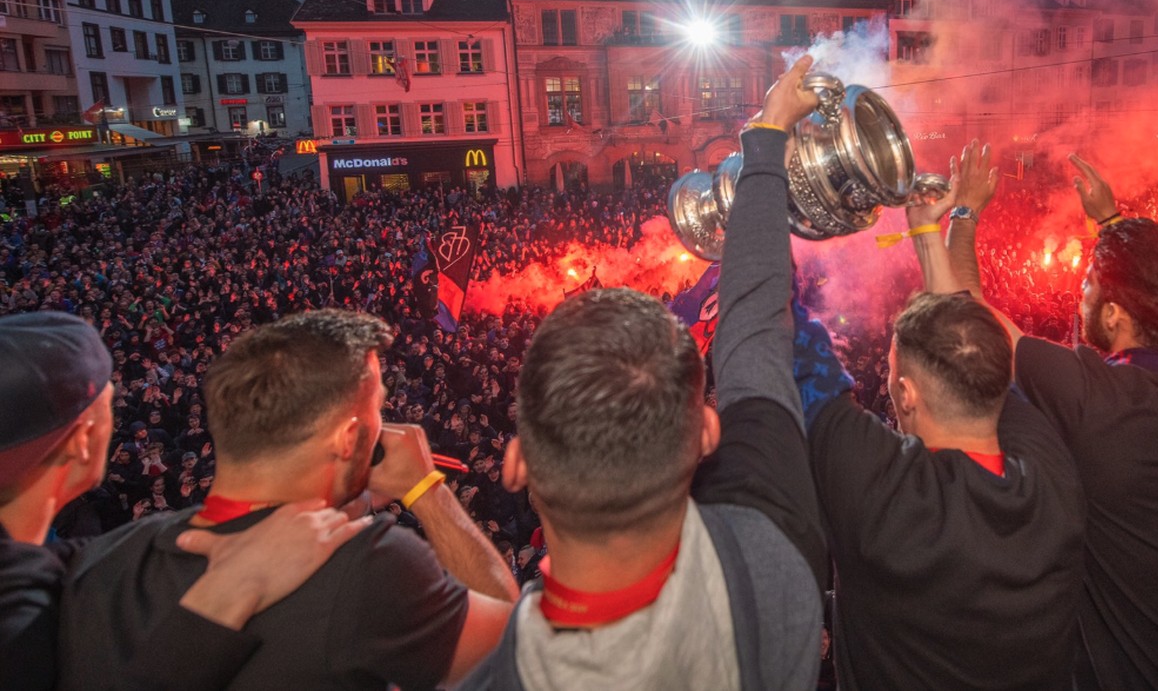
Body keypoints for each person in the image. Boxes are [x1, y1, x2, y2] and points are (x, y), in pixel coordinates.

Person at [459, 56, 828, 690]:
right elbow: (756, 330)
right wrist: (766, 141)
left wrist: (425, 494)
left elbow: (489, 630)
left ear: (517, 466)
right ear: (707, 434)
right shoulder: (780, 564)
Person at [57, 309, 517, 690]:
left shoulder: (106, 557)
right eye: (378, 406)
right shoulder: (369, 564)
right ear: (349, 437)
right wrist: (427, 491)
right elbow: (514, 648)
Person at [944, 143, 1158, 690]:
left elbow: (968, 316)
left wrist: (963, 214)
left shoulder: (1103, 403)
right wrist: (1111, 224)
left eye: (1088, 283)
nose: (1078, 290)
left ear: (1114, 314)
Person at [790, 147, 1086, 689]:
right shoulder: (1051, 471)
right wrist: (934, 227)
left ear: (905, 395)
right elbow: (969, 328)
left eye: (888, 368)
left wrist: (771, 169)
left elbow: (781, 328)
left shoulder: (880, 495)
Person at [0, 311, 370, 691]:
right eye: (109, 404)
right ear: (83, 440)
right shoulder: (18, 637)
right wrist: (227, 595)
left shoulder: (29, 561)